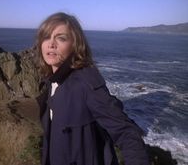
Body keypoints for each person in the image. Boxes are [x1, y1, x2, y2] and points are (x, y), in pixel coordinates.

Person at [34, 12, 150, 165]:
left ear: (75, 45)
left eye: (61, 38)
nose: (51, 44)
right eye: (46, 37)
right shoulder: (52, 81)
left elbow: (126, 133)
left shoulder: (85, 83)